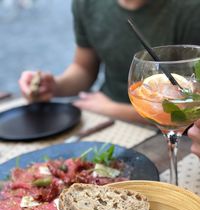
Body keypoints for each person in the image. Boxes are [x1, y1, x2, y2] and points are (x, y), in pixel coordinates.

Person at [19, 0, 200, 123]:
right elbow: (83, 68)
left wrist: (115, 110)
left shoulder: (190, 9)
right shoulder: (88, 3)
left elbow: (189, 106)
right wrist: (54, 86)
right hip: (102, 111)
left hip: (163, 127)